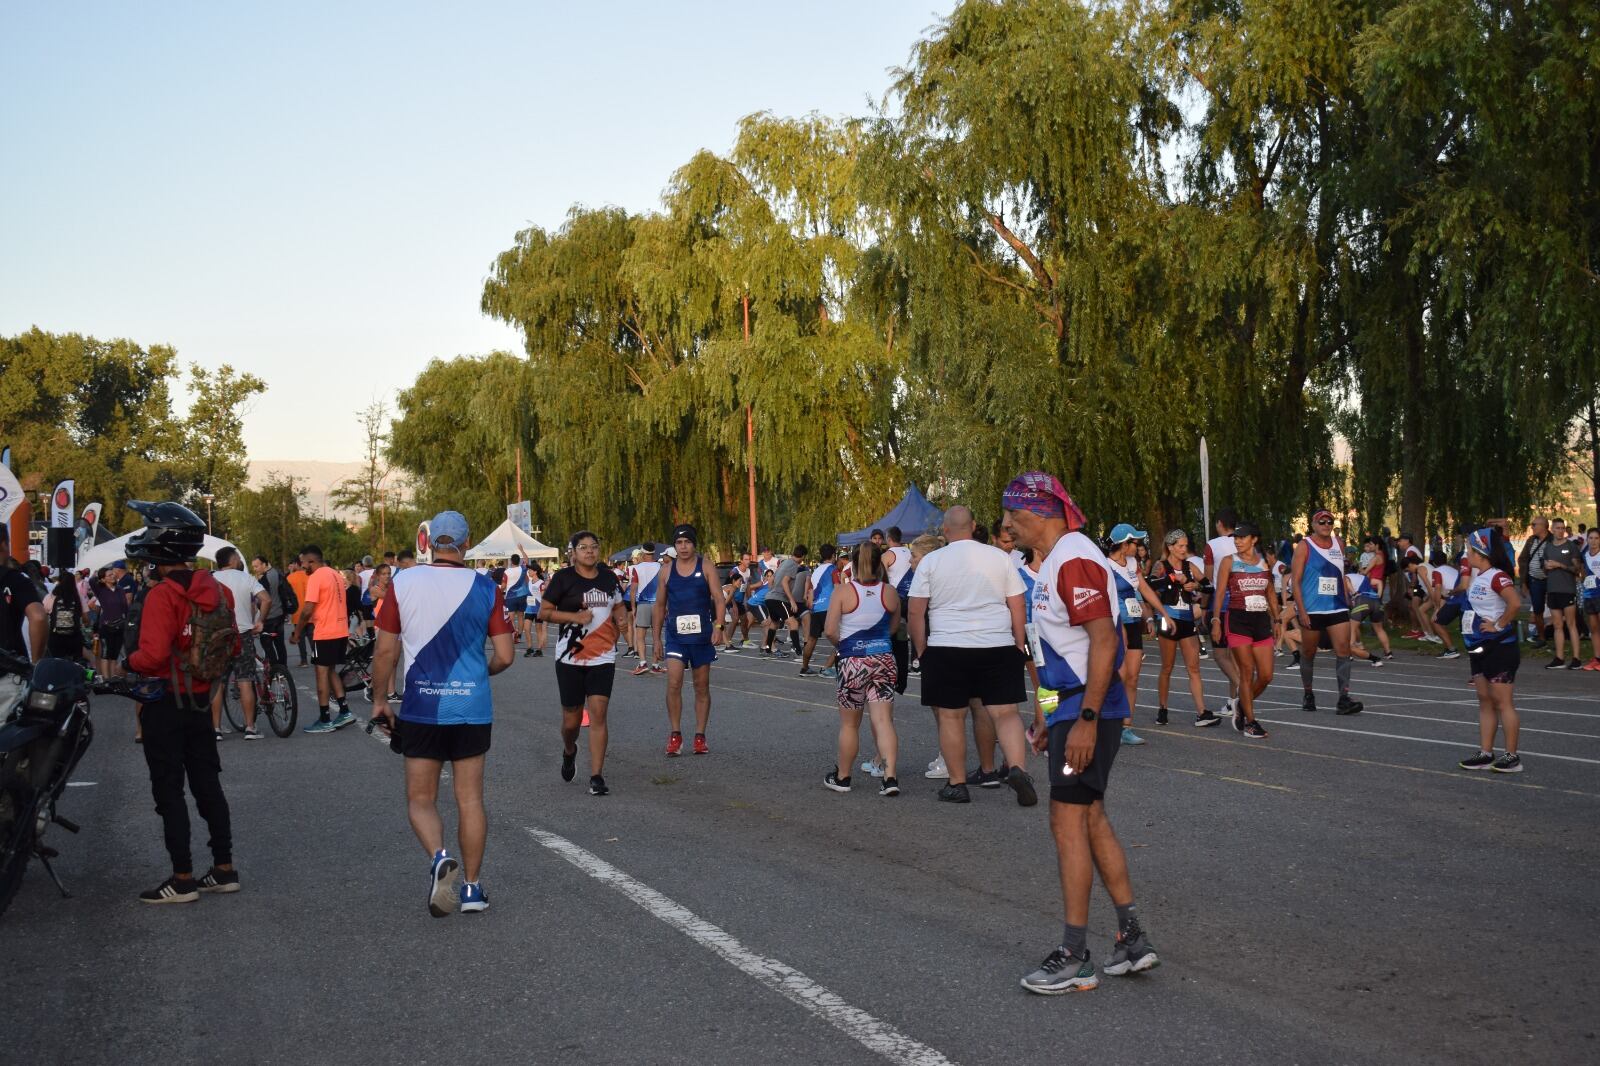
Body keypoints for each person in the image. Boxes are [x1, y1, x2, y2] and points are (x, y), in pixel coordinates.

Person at [1002, 472, 1157, 994]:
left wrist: (1085, 721)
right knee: (1088, 817)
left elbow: (1104, 643)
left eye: (1013, 516)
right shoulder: (1057, 562)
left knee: (1066, 821)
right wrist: (1047, 715)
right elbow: (1051, 658)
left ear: (1042, 514)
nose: (1006, 526)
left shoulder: (1074, 558)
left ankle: (1074, 954)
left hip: (1090, 712)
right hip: (1071, 710)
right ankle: (1132, 938)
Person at [372, 510, 514, 916]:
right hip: (471, 705)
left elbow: (385, 650)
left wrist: (380, 699)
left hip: (421, 705)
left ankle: (439, 857)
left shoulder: (403, 582)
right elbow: (504, 656)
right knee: (470, 799)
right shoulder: (485, 586)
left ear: (429, 541)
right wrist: (477, 674)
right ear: (467, 544)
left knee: (420, 799)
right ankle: (471, 889)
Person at [122, 500, 239, 904]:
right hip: (202, 702)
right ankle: (223, 868)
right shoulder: (220, 590)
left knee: (168, 790)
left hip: (166, 703)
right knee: (208, 784)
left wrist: (128, 663)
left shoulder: (162, 595)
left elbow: (151, 656)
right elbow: (233, 643)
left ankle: (182, 877)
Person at [908, 505, 1035, 806]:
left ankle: (956, 783)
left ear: (946, 531)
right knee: (1006, 713)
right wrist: (1018, 643)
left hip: (947, 645)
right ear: (974, 525)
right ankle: (1017, 768)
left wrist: (922, 648)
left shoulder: (931, 561)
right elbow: (1017, 604)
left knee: (952, 717)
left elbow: (915, 610)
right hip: (998, 643)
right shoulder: (999, 558)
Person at [541, 531, 626, 796]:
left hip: (602, 656)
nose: (589, 551)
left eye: (593, 547)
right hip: (570, 657)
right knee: (571, 721)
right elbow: (544, 612)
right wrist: (574, 617)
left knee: (599, 713)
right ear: (573, 553)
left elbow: (619, 607)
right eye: (583, 547)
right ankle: (570, 749)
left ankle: (597, 776)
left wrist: (621, 621)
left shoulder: (609, 578)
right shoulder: (563, 578)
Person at [821, 542, 901, 796]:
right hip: (884, 658)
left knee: (849, 725)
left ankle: (843, 777)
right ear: (880, 563)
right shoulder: (889, 592)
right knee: (883, 720)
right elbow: (894, 628)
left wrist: (845, 646)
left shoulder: (843, 592)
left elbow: (831, 630)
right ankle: (889, 777)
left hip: (852, 660)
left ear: (853, 563)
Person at [652, 525, 726, 757]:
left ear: (694, 544)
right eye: (679, 543)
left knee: (701, 686)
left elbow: (719, 599)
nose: (683, 547)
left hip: (702, 635)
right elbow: (659, 606)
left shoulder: (706, 566)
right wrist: (655, 639)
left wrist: (719, 626)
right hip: (675, 636)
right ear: (674, 546)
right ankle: (675, 734)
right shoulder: (665, 570)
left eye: (687, 542)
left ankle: (700, 736)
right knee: (673, 683)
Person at [1456, 527, 1524, 773]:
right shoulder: (1477, 576)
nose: (1466, 555)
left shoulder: (1497, 576)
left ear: (1480, 552)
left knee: (1503, 701)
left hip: (1500, 647)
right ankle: (1486, 752)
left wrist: (1498, 625)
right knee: (1484, 700)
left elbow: (1515, 603)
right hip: (1477, 647)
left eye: (1469, 550)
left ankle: (1512, 756)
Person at [1290, 509, 1363, 715]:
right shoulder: (1304, 546)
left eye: (1329, 522)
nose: (1326, 524)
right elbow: (1295, 581)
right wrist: (1301, 610)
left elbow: (1341, 572)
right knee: (1308, 653)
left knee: (1343, 651)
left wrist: (1347, 597)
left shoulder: (1339, 544)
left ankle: (1344, 698)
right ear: (1313, 525)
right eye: (1321, 521)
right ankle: (1308, 693)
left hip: (1337, 606)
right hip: (1312, 609)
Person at [1105, 525, 1173, 746]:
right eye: (1135, 543)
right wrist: (1118, 627)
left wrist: (1162, 614)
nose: (1139, 547)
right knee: (1119, 676)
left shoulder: (1133, 564)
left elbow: (1144, 589)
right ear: (1124, 545)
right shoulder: (1104, 566)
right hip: (1115, 625)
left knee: (1133, 677)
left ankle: (1126, 727)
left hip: (1133, 624)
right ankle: (1105, 722)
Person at [1214, 523, 1276, 738]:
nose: (1238, 541)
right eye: (1235, 538)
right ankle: (1251, 722)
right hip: (1238, 620)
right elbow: (1220, 592)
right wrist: (1215, 620)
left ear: (1254, 539)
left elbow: (1269, 591)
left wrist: (1277, 620)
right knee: (1247, 672)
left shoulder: (1263, 562)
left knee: (1266, 675)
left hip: (1260, 621)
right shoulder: (1229, 561)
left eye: (1242, 537)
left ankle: (1241, 705)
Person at [1147, 530, 1211, 726]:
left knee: (1194, 667)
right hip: (1167, 618)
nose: (1184, 549)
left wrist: (1195, 587)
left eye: (1185, 545)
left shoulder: (1190, 566)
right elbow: (1149, 585)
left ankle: (1202, 712)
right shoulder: (1161, 565)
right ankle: (1163, 708)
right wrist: (1175, 580)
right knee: (1167, 667)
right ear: (1170, 547)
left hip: (1186, 619)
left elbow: (1209, 587)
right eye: (1180, 546)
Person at [291, 545, 354, 733]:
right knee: (331, 671)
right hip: (340, 629)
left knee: (321, 675)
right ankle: (344, 711)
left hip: (326, 631)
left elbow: (308, 609)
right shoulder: (334, 574)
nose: (302, 567)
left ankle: (325, 719)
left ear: (312, 561)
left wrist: (297, 633)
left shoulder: (317, 577)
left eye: (303, 563)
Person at [210, 547, 269, 740]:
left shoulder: (211, 580)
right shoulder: (246, 578)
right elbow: (266, 599)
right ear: (233, 559)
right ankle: (250, 727)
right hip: (242, 633)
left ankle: (216, 729)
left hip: (217, 635)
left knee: (217, 682)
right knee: (245, 680)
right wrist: (260, 621)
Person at [1201, 509, 1244, 718]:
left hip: (1223, 603)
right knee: (1235, 657)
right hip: (1243, 602)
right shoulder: (1244, 541)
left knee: (1220, 655)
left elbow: (1208, 581)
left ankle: (1243, 690)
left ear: (1219, 523)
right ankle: (1232, 702)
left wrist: (1203, 607)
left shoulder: (1213, 545)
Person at [1543, 518, 1583, 669]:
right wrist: (1546, 567)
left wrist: (1559, 565)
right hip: (1553, 589)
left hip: (1567, 590)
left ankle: (1576, 659)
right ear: (1552, 529)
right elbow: (1544, 568)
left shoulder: (1570, 546)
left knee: (1571, 624)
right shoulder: (1548, 547)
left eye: (1562, 528)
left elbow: (1576, 569)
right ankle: (1559, 658)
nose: (1560, 531)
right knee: (1557, 625)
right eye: (1557, 528)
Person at [799, 543, 839, 677]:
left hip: (816, 609)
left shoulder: (816, 570)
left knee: (811, 639)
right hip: (829, 608)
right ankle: (827, 668)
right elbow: (838, 588)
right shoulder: (834, 569)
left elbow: (810, 590)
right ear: (833, 556)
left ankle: (804, 668)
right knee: (843, 639)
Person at [250, 554, 291, 668]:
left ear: (264, 564)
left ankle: (274, 668)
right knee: (279, 643)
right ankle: (283, 668)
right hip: (280, 615)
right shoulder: (277, 573)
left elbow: (264, 600)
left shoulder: (264, 579)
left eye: (257, 566)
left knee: (266, 643)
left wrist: (260, 618)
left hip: (269, 617)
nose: (255, 569)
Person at [93, 565, 133, 679]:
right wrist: (97, 573)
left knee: (114, 655)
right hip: (106, 626)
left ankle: (113, 679)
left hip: (120, 625)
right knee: (106, 654)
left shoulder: (120, 589)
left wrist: (126, 621)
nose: (113, 576)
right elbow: (92, 581)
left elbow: (125, 606)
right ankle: (106, 679)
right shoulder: (101, 591)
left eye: (113, 574)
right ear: (103, 579)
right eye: (109, 575)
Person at [1517, 518, 1552, 645]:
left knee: (1556, 608)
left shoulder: (1552, 540)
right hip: (1534, 580)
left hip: (1551, 580)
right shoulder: (1531, 540)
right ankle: (1541, 637)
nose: (1532, 527)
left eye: (1534, 525)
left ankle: (1556, 632)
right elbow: (1522, 559)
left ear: (1544, 526)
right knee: (1537, 610)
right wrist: (1523, 582)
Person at [628, 546, 662, 676]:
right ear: (654, 552)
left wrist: (633, 606)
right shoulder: (661, 566)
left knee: (640, 636)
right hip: (658, 604)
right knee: (656, 636)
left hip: (643, 603)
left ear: (642, 553)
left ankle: (642, 663)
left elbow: (633, 590)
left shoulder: (638, 568)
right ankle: (655, 665)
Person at [1578, 528, 1600, 670]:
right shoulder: (1584, 555)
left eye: (1596, 538)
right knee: (1594, 629)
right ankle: (1597, 658)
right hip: (1589, 595)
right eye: (1590, 538)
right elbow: (1583, 574)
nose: (1593, 541)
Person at [285, 560, 311, 666]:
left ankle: (304, 660)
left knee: (300, 638)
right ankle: (317, 657)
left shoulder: (290, 578)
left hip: (297, 613)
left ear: (296, 564)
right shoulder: (309, 576)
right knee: (312, 638)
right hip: (310, 611)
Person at [502, 553, 530, 650]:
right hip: (523, 596)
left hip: (511, 597)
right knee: (521, 616)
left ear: (511, 561)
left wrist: (499, 591)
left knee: (511, 617)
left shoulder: (507, 571)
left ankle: (514, 635)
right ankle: (520, 635)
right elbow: (527, 560)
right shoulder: (523, 568)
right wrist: (522, 550)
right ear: (519, 561)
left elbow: (504, 586)